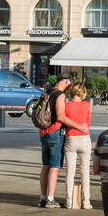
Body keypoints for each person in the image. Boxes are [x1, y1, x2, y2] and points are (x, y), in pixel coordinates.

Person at [38, 75, 70, 208]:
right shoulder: (60, 95)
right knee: (54, 166)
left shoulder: (47, 92)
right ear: (66, 82)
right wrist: (79, 126)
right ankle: (51, 199)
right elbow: (61, 116)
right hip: (55, 132)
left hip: (43, 132)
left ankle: (43, 198)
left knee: (45, 165)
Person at [63, 81, 93, 209]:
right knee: (85, 172)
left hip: (71, 138)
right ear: (83, 92)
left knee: (70, 172)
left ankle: (69, 201)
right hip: (85, 138)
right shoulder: (87, 105)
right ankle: (86, 201)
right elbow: (88, 122)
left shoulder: (66, 105)